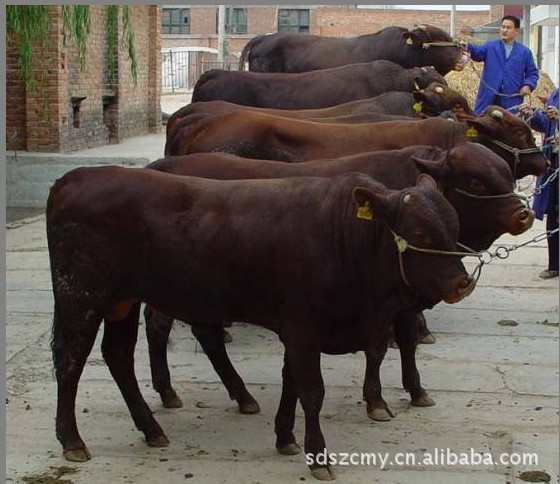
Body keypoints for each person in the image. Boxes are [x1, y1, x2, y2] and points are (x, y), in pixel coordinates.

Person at [463, 15, 539, 115]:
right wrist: (466, 46)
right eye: (503, 27)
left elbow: (532, 74)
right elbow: (477, 52)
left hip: (512, 101)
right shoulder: (490, 46)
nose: (504, 30)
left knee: (509, 128)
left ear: (516, 31)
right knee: (481, 126)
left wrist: (528, 85)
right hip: (488, 98)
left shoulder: (525, 52)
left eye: (508, 27)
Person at [520, 88, 559, 279]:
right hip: (554, 162)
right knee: (553, 212)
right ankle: (555, 265)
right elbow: (546, 125)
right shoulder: (555, 94)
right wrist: (533, 116)